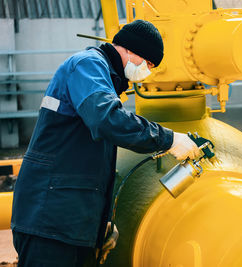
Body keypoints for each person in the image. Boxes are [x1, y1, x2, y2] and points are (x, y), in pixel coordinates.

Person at [11, 20, 200, 266]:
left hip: (68, 222)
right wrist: (169, 140)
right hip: (50, 220)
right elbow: (106, 119)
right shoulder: (88, 65)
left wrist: (98, 224)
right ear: (131, 50)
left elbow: (87, 161)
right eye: (149, 63)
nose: (147, 70)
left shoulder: (103, 78)